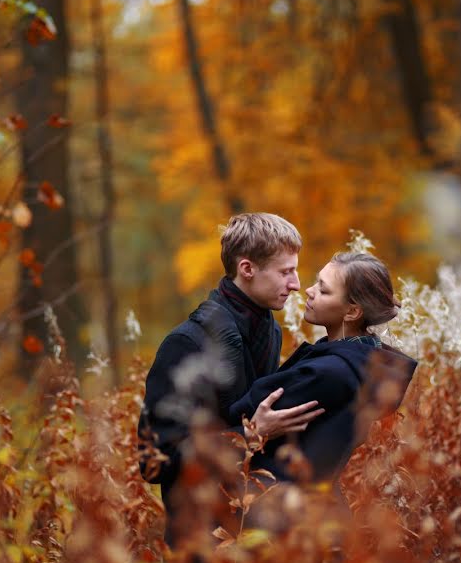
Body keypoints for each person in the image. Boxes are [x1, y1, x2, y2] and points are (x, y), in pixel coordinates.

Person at [138, 213, 324, 541]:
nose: (295, 284)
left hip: (255, 532)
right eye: (285, 272)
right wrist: (251, 435)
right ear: (247, 269)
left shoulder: (269, 332)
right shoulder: (186, 343)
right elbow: (155, 463)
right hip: (199, 541)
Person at [228, 252, 417, 483]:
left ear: (352, 312)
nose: (309, 290)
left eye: (324, 290)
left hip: (274, 502)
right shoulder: (366, 361)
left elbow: (241, 410)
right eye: (317, 282)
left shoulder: (328, 373)